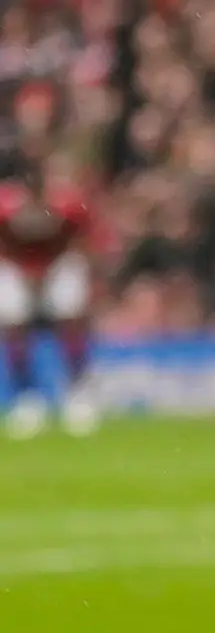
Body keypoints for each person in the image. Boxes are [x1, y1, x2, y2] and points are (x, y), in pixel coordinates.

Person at [0, 173, 99, 438]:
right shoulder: (5, 206)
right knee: (13, 325)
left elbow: (82, 238)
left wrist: (52, 271)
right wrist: (23, 272)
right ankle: (26, 397)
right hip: (15, 265)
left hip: (58, 263)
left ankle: (78, 393)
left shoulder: (67, 205)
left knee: (71, 320)